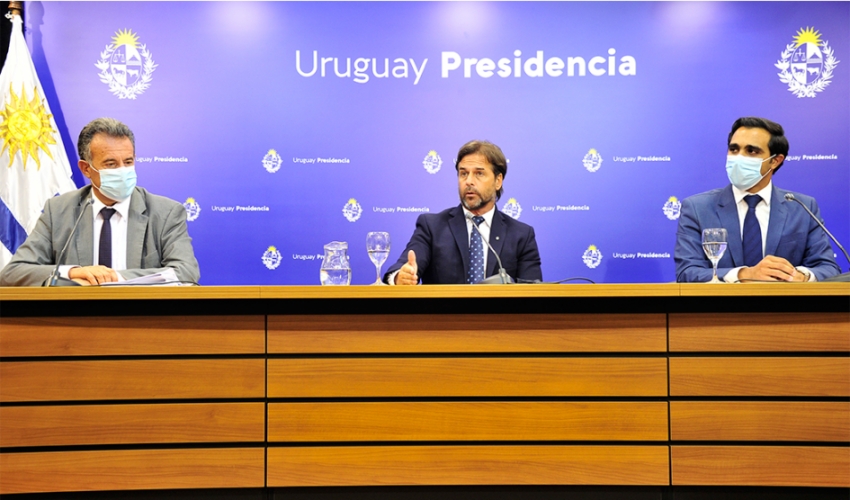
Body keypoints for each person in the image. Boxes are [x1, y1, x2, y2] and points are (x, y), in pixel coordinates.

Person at [0, 118, 200, 286]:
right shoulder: (60, 211)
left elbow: (186, 272)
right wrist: (72, 273)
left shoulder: (165, 212)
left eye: (128, 162)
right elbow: (13, 273)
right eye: (110, 164)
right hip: (76, 323)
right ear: (86, 169)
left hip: (142, 321)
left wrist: (116, 278)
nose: (122, 170)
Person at [675, 117, 839, 283]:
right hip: (720, 308)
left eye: (751, 151)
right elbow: (687, 272)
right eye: (734, 149)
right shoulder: (697, 208)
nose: (739, 157)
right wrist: (744, 274)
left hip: (785, 308)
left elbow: (828, 268)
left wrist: (801, 277)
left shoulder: (802, 207)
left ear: (775, 161)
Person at [384, 140, 542, 285]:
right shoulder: (432, 227)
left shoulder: (521, 235)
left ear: (498, 181)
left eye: (479, 173)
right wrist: (400, 276)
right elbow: (403, 266)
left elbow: (533, 294)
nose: (469, 181)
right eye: (463, 173)